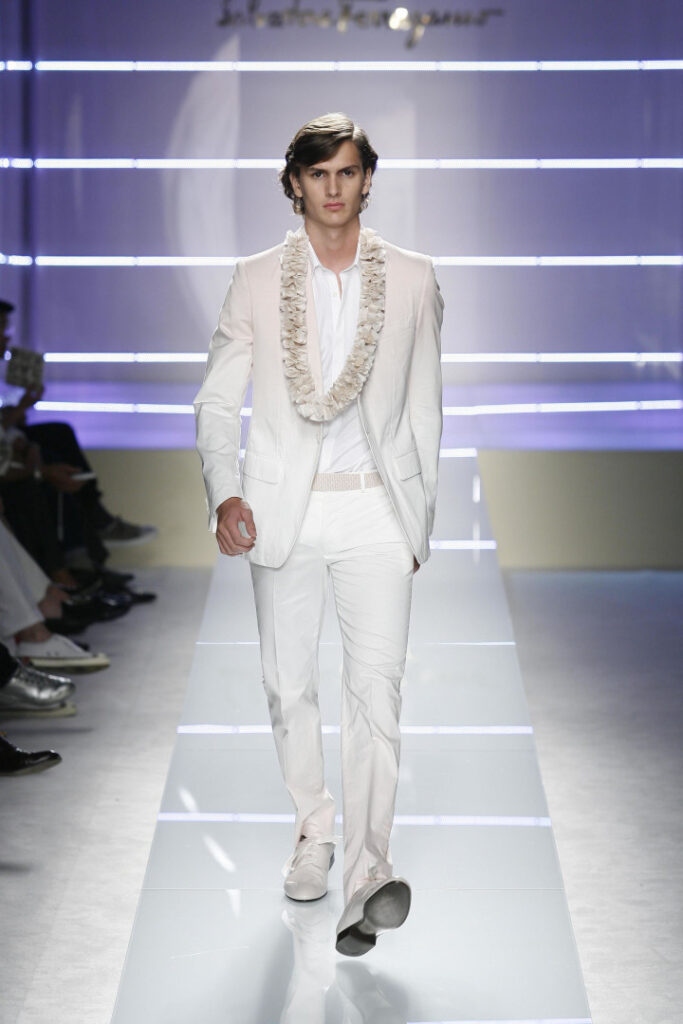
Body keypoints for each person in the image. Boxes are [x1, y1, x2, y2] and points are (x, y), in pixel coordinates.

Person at [194, 113, 443, 957]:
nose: (333, 188)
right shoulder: (255, 279)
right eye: (317, 173)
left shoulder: (412, 278)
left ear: (367, 179)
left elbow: (424, 409)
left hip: (375, 508)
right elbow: (216, 399)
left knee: (376, 693)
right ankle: (314, 830)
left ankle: (369, 874)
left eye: (346, 172)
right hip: (282, 511)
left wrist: (417, 521)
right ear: (294, 183)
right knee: (287, 683)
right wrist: (225, 492)